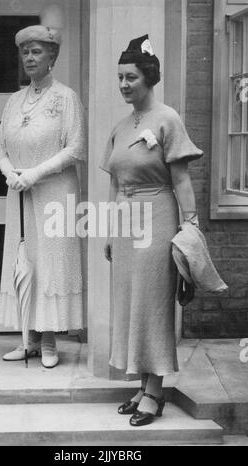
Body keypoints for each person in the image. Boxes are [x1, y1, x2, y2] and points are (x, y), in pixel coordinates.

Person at [100, 34, 203, 426]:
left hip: (157, 215)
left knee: (153, 303)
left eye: (131, 77)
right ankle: (143, 385)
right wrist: (110, 228)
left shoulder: (167, 119)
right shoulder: (123, 125)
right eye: (120, 78)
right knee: (132, 303)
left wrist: (189, 225)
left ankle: (156, 391)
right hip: (126, 222)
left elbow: (181, 181)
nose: (124, 85)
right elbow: (113, 180)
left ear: (149, 77)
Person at [0, 24, 86, 368]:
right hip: (19, 193)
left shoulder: (65, 98)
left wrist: (34, 173)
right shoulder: (15, 100)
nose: (29, 58)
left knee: (49, 262)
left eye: (37, 51)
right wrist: (10, 173)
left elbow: (75, 148)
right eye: (25, 52)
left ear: (53, 56)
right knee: (23, 261)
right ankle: (27, 339)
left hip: (54, 194)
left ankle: (48, 342)